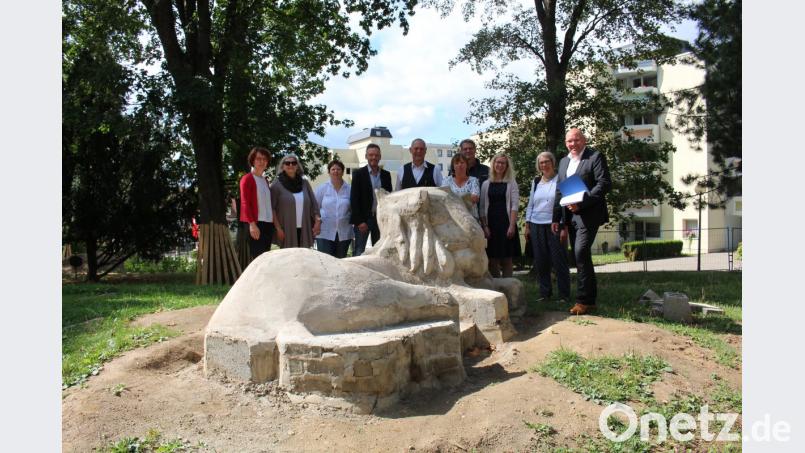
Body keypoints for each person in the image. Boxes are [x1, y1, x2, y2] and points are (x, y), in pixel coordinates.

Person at [554, 128, 612, 315]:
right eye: (569, 141)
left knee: (580, 252)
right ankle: (590, 298)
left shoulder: (595, 157)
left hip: (589, 214)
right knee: (582, 256)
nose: (573, 144)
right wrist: (557, 218)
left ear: (584, 140)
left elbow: (604, 184)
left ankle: (583, 301)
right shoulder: (563, 162)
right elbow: (559, 190)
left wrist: (582, 203)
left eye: (576, 140)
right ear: (566, 143)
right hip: (570, 216)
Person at [524, 151, 570, 303]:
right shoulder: (536, 181)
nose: (544, 165)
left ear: (553, 162)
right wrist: (527, 224)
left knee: (559, 261)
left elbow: (565, 204)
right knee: (541, 261)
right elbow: (531, 203)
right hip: (536, 224)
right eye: (541, 162)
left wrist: (564, 226)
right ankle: (545, 294)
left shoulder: (561, 179)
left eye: (547, 161)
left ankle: (564, 295)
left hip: (554, 225)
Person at [480, 152, 521, 277]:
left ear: (507, 166)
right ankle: (499, 288)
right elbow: (482, 207)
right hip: (491, 225)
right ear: (493, 164)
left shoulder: (511, 183)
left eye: (503, 163)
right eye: (498, 162)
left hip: (506, 223)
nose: (500, 165)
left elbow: (514, 205)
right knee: (492, 260)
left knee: (507, 259)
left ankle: (508, 287)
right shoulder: (486, 184)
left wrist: (512, 226)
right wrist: (485, 226)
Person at [270, 153, 321, 249]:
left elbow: (314, 204)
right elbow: (272, 208)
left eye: (294, 163)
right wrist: (278, 228)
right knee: (288, 259)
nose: (291, 165)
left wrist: (318, 220)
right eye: (287, 163)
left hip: (305, 228)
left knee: (303, 258)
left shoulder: (304, 183)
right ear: (282, 166)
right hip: (286, 230)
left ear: (297, 166)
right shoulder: (276, 184)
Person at [350, 144, 393, 256]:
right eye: (371, 155)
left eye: (376, 155)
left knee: (380, 251)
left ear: (380, 156)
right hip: (363, 220)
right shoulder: (358, 174)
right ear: (366, 156)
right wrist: (359, 222)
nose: (374, 157)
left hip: (380, 219)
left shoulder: (386, 175)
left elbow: (389, 197)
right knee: (359, 251)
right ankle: (357, 273)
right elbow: (354, 199)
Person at [239, 146, 276, 258]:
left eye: (265, 159)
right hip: (255, 223)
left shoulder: (265, 180)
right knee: (259, 258)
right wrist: (252, 225)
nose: (262, 161)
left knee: (266, 258)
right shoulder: (247, 179)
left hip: (267, 224)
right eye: (259, 158)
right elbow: (245, 203)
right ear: (252, 160)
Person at [315, 160, 353, 258]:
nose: (336, 171)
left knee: (340, 262)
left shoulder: (349, 189)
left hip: (344, 233)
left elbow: (353, 209)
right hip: (324, 232)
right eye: (333, 169)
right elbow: (315, 208)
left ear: (343, 172)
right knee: (325, 262)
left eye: (338, 169)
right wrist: (317, 222)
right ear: (329, 172)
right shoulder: (322, 188)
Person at [441, 153, 480, 220]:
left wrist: (453, 197)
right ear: (453, 166)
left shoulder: (473, 180)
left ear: (466, 165)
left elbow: (475, 198)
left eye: (462, 162)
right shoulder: (446, 181)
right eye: (457, 163)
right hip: (452, 219)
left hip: (471, 218)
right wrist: (466, 197)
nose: (460, 165)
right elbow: (443, 198)